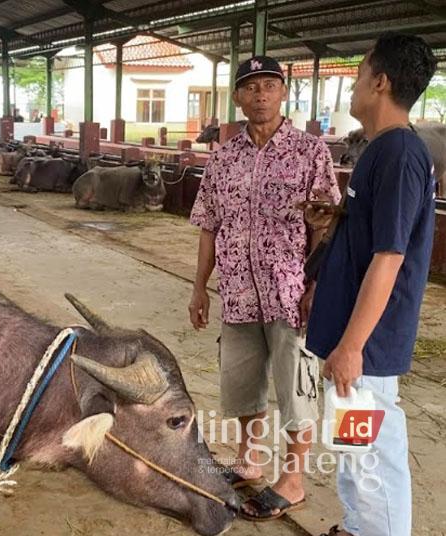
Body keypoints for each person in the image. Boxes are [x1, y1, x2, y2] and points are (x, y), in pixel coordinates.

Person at [188, 55, 340, 521]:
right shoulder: (223, 158)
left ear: (282, 93)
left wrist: (316, 285)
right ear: (237, 97)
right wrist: (199, 288)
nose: (260, 94)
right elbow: (209, 225)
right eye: (251, 87)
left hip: (290, 294)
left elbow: (326, 225)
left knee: (296, 387)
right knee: (242, 384)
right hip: (235, 293)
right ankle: (249, 459)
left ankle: (292, 479)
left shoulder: (311, 152)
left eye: (270, 85)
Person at [306, 33, 437, 536]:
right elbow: (374, 237)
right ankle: (360, 525)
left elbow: (390, 256)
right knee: (353, 444)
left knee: (373, 452)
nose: (354, 86)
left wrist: (353, 344)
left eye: (359, 74)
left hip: (369, 342)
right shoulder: (381, 151)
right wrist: (339, 216)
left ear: (380, 82)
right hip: (354, 335)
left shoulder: (401, 155)